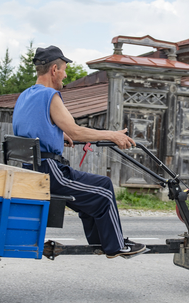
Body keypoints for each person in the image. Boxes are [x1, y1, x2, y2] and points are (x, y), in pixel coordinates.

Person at [12, 45, 147, 258]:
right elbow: (75, 130)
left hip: (33, 168)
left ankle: (101, 242)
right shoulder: (50, 95)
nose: (65, 75)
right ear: (54, 69)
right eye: (64, 69)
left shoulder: (25, 96)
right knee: (103, 189)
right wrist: (112, 135)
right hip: (50, 172)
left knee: (95, 191)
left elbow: (29, 128)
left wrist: (57, 135)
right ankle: (115, 246)